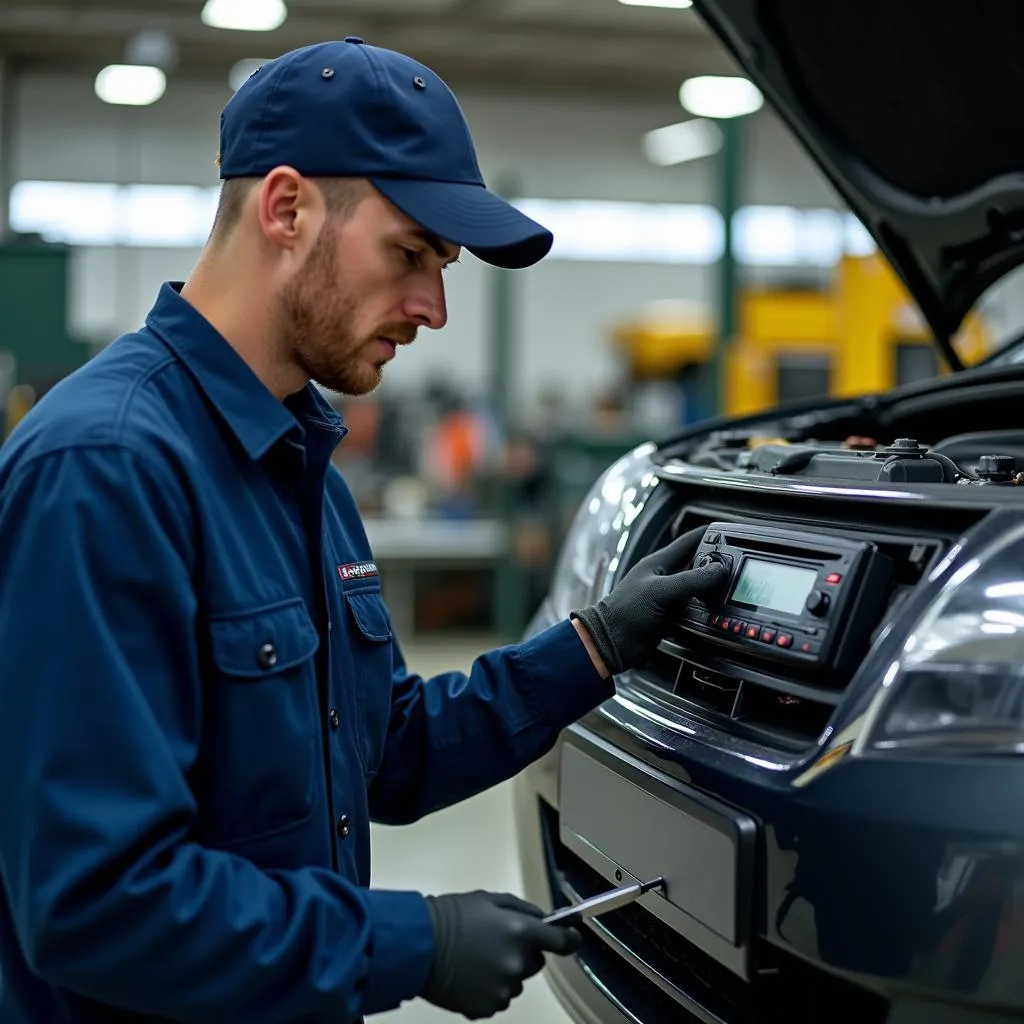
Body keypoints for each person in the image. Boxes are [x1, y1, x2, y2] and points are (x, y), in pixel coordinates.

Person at [0, 38, 727, 1023]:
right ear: (287, 207)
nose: (432, 306)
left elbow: (382, 750)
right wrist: (410, 942)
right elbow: (96, 902)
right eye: (410, 253)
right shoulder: (109, 469)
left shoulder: (303, 464)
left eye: (443, 265)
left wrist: (595, 646)